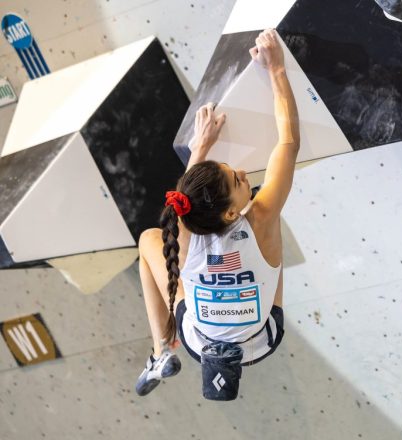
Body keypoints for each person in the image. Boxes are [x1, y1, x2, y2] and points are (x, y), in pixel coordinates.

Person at [135, 29, 299, 396]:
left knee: (149, 239)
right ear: (228, 214)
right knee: (269, 238)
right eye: (238, 180)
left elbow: (186, 198)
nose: (244, 174)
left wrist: (201, 147)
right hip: (261, 337)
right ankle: (162, 350)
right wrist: (276, 70)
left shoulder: (185, 229)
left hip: (203, 339)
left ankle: (161, 351)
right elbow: (288, 143)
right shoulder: (259, 219)